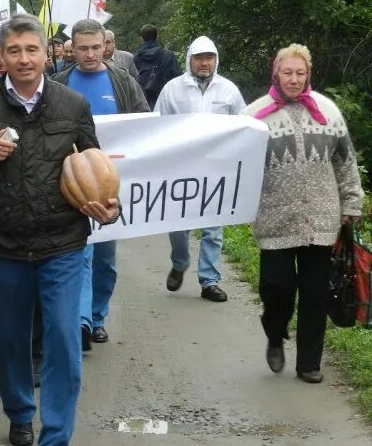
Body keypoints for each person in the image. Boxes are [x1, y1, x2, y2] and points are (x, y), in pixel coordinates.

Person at [0, 13, 120, 446]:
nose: (24, 59)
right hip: (2, 243)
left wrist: (109, 207)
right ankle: (20, 413)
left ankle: (56, 433)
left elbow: (95, 165)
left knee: (63, 340)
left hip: (62, 243)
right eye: (14, 51)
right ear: (0, 57)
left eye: (32, 49)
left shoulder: (72, 105)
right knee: (7, 341)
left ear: (46, 54)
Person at [244, 44, 364, 383]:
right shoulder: (254, 116)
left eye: (300, 73)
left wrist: (352, 202)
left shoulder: (328, 111)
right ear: (276, 72)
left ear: (308, 74)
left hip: (323, 219)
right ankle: (275, 332)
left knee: (315, 292)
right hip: (274, 217)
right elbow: (237, 166)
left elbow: (345, 161)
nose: (294, 79)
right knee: (276, 286)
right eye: (288, 72)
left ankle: (309, 363)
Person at [53, 19, 149, 349]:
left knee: (105, 258)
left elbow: (143, 126)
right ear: (72, 49)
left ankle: (97, 317)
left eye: (96, 47)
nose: (90, 54)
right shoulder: (58, 82)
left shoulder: (123, 82)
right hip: (71, 183)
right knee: (79, 253)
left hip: (110, 185)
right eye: (83, 48)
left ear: (106, 45)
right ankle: (79, 321)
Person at [154, 36, 246, 302]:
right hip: (181, 168)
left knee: (213, 227)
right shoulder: (172, 89)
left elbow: (244, 124)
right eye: (199, 58)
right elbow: (158, 125)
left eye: (210, 58)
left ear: (216, 60)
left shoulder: (229, 90)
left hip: (217, 169)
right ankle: (180, 262)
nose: (205, 63)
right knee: (178, 226)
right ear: (189, 60)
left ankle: (210, 280)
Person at [133, 24, 182, 108]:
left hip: (144, 100)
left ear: (142, 38)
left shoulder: (136, 58)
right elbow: (178, 77)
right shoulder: (168, 55)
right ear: (157, 36)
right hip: (164, 98)